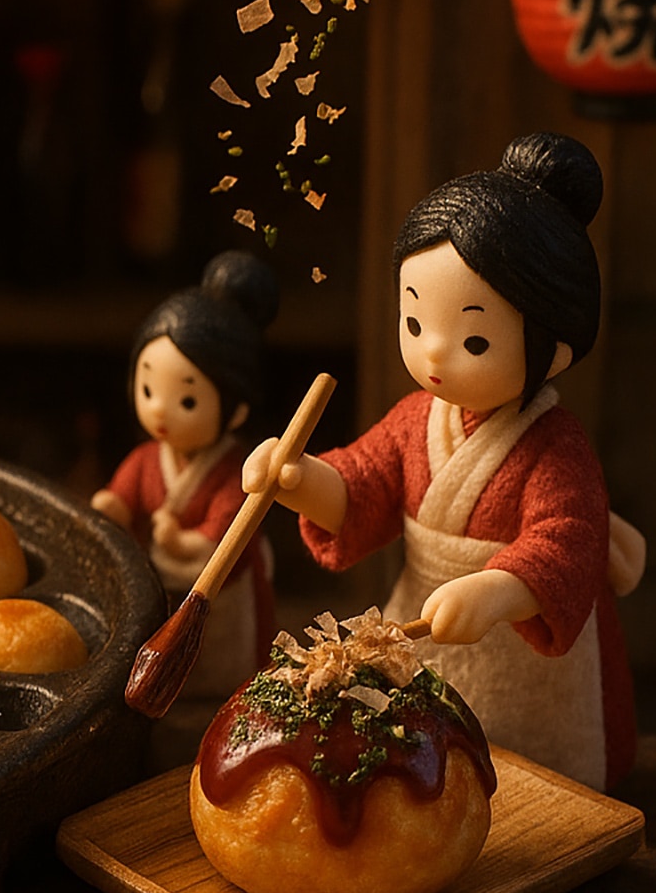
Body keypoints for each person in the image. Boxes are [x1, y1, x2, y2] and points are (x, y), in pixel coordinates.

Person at [245, 132, 635, 791]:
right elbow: (365, 481)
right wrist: (301, 480)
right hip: (427, 625)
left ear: (556, 346)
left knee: (538, 785)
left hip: (529, 652)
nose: (433, 356)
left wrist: (497, 589)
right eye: (415, 322)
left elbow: (568, 537)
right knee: (427, 768)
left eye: (474, 337)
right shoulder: (415, 419)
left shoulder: (555, 445)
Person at [92, 252, 279, 697]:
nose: (159, 408)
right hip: (160, 599)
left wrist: (179, 541)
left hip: (220, 601)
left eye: (188, 401)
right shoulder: (144, 459)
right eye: (148, 388)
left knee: (223, 684)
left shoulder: (237, 471)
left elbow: (224, 537)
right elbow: (123, 498)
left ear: (236, 410)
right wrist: (111, 508)